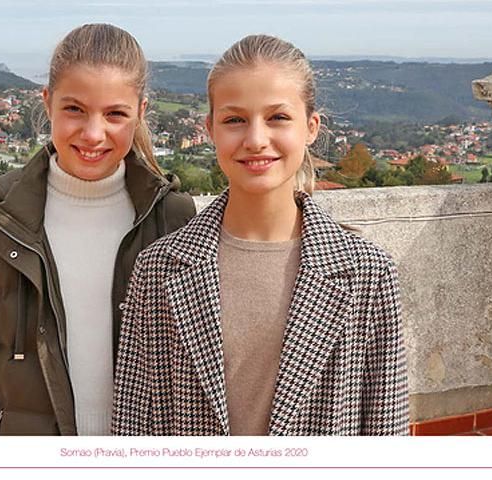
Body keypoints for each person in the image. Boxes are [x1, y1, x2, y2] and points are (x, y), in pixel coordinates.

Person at [111, 34, 409, 436]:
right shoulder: (158, 270)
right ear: (210, 129)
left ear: (311, 127)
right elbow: (133, 429)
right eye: (235, 119)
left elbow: (385, 433)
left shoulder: (367, 273)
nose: (255, 139)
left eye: (278, 118)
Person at [0, 23, 196, 436]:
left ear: (142, 113)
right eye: (74, 109)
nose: (93, 133)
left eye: (115, 113)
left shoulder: (172, 219)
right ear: (47, 103)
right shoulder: (1, 220)